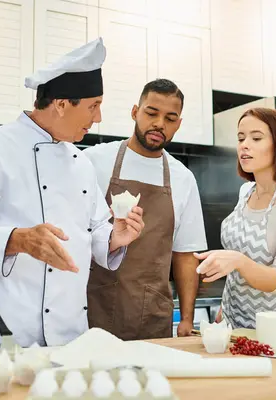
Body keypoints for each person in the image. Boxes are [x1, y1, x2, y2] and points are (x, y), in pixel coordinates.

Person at [0, 38, 145, 350]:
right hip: (7, 334)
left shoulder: (81, 162)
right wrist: (18, 239)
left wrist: (115, 236)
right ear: (61, 104)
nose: (98, 117)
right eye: (93, 106)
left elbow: (94, 230)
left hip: (70, 335)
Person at [83, 79, 207, 340]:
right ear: (134, 112)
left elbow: (185, 255)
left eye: (170, 118)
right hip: (92, 307)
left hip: (151, 315)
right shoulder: (94, 161)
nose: (160, 124)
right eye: (151, 113)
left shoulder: (182, 178)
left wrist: (187, 319)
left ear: (178, 124)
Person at [195, 107, 276, 329]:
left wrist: (237, 261)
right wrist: (225, 308)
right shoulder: (246, 192)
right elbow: (239, 262)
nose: (244, 144)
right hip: (234, 324)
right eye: (241, 138)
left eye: (256, 138)